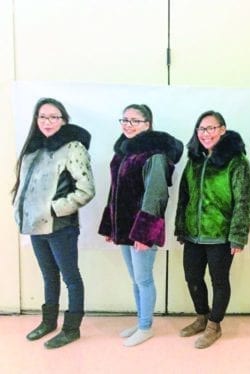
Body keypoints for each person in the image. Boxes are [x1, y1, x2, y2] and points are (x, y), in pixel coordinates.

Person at [12, 98, 95, 349]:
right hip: (35, 225)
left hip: (61, 227)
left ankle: (72, 328)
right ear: (36, 120)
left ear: (63, 120)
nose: (47, 122)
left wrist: (53, 209)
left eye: (53, 117)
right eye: (42, 116)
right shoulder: (32, 149)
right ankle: (49, 322)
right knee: (49, 275)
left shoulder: (73, 148)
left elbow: (86, 190)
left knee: (71, 277)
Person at [98, 104, 183, 347]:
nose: (128, 124)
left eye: (135, 121)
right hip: (124, 229)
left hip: (141, 231)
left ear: (147, 124)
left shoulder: (154, 155)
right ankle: (141, 320)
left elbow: (156, 195)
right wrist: (110, 226)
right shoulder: (123, 153)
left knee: (144, 279)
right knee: (135, 279)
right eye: (124, 119)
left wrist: (145, 234)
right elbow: (115, 191)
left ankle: (146, 327)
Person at [175, 110, 250, 349]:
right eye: (201, 129)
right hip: (194, 234)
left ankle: (214, 325)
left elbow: (244, 200)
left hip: (220, 234)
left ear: (222, 130)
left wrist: (237, 236)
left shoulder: (237, 161)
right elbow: (184, 197)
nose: (205, 134)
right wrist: (182, 227)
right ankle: (202, 316)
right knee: (192, 277)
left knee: (219, 280)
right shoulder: (194, 160)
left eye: (210, 128)